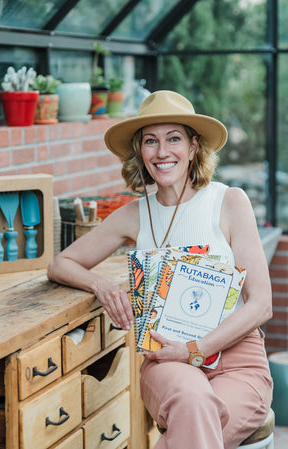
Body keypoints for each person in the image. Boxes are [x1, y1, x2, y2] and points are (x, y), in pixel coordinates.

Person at [47, 90, 273, 449]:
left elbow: (261, 304)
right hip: (167, 359)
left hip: (239, 362)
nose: (162, 152)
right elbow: (61, 263)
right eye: (150, 141)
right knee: (194, 403)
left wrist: (194, 349)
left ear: (194, 146)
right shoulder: (134, 215)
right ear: (140, 151)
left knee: (196, 427)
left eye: (174, 139)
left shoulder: (228, 202)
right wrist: (101, 286)